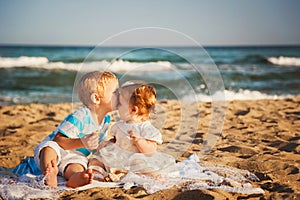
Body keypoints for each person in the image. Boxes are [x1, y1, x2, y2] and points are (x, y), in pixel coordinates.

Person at [33, 71, 119, 188]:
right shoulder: (80, 116)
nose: (120, 95)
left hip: (75, 155)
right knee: (48, 148)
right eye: (115, 92)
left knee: (78, 166)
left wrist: (111, 143)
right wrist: (82, 142)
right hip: (58, 149)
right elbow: (58, 140)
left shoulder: (106, 120)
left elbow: (98, 145)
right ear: (96, 98)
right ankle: (49, 173)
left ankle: (75, 177)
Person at [88, 81, 175, 181]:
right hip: (119, 157)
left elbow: (151, 150)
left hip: (136, 159)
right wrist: (108, 143)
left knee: (145, 168)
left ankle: (152, 176)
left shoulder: (146, 128)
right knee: (97, 159)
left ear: (133, 110)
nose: (117, 106)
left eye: (120, 104)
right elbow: (116, 140)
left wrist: (139, 141)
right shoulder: (120, 125)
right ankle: (97, 175)